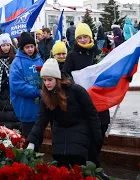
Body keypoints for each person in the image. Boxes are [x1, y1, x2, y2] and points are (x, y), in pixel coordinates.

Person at [27, 58, 102, 168]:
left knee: (79, 166)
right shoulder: (46, 96)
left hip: (79, 135)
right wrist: (32, 142)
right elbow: (41, 120)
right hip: (60, 137)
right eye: (44, 80)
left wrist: (97, 137)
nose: (47, 83)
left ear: (57, 79)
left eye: (49, 79)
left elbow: (92, 114)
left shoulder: (76, 90)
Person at [63, 23, 110, 180]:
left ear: (91, 36)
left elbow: (108, 72)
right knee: (87, 135)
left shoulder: (98, 53)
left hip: (100, 101)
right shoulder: (72, 55)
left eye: (85, 36)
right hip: (82, 103)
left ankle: (93, 164)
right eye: (80, 37)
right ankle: (91, 167)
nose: (83, 40)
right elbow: (65, 75)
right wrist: (75, 84)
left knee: (100, 131)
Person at [9, 32, 44, 137]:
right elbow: (16, 85)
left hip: (39, 106)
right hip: (25, 106)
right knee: (29, 137)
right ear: (22, 48)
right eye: (27, 47)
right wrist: (37, 91)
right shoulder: (17, 62)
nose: (30, 49)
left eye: (32, 46)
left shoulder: (39, 60)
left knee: (39, 137)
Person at [0, 33, 20, 130]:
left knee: (14, 122)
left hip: (13, 94)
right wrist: (1, 82)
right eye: (3, 45)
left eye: (7, 45)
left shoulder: (15, 59)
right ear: (0, 46)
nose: (6, 48)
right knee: (1, 124)